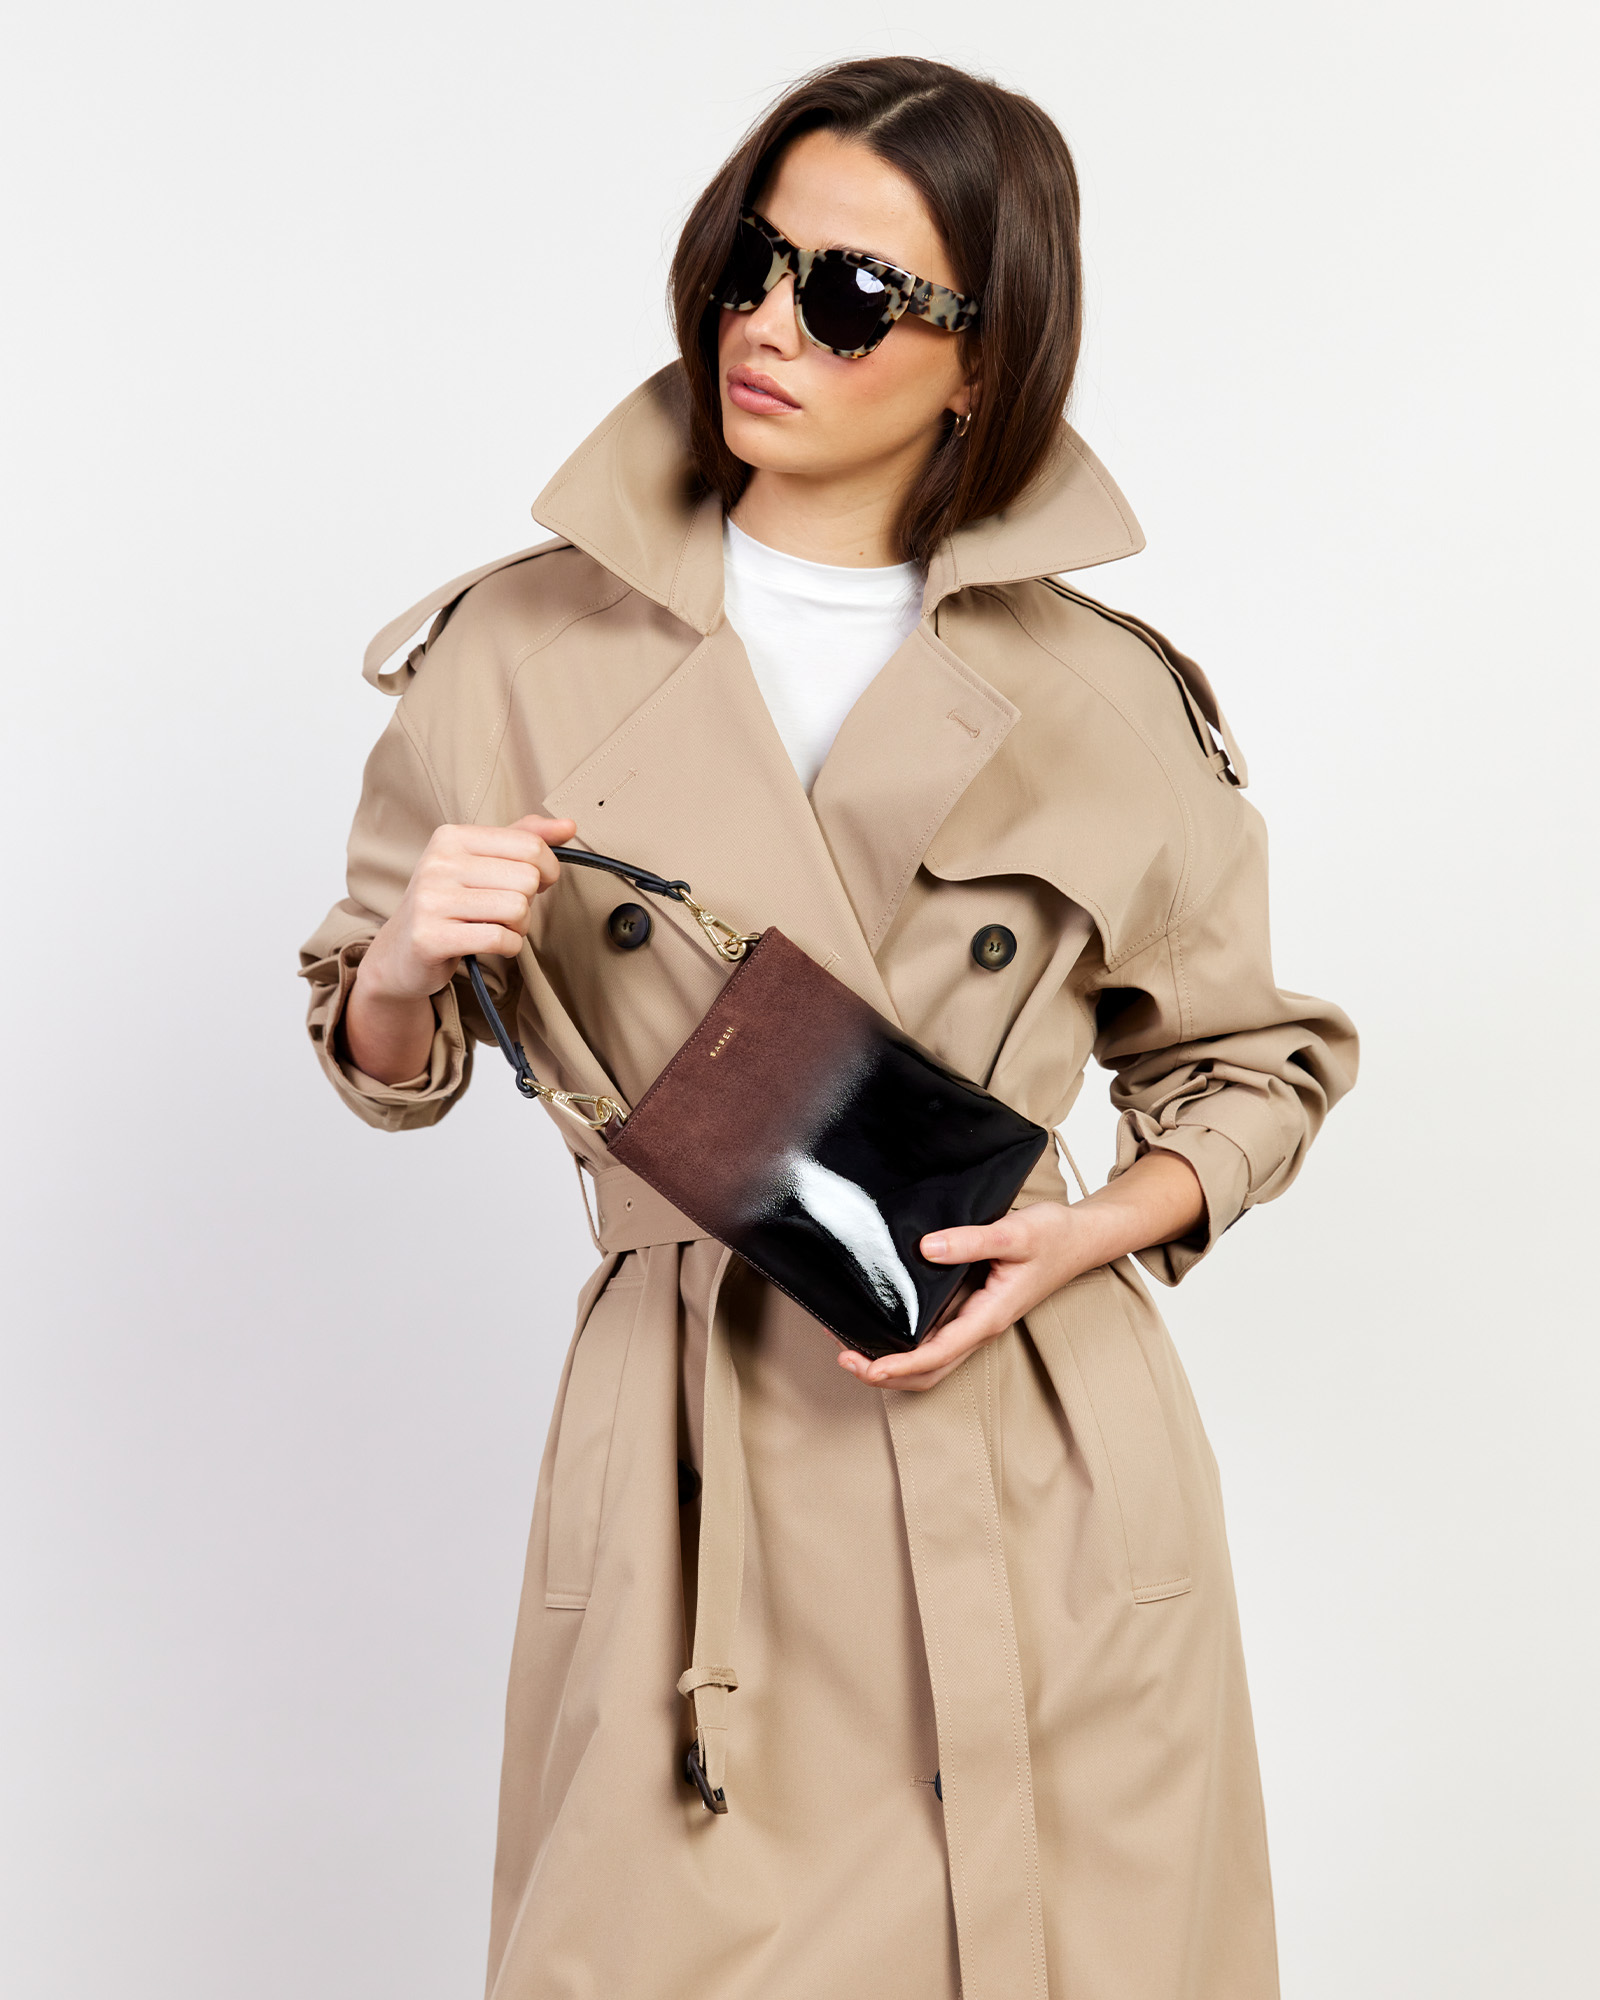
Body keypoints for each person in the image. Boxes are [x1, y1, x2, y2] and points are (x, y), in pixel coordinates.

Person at [300, 55, 1356, 2000]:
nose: (768, 325)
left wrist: (1089, 1231)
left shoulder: (1100, 693)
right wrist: (400, 966)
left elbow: (1249, 1063)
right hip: (693, 1471)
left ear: (980, 359)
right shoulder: (519, 650)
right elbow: (385, 1056)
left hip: (1036, 1450)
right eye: (750, 262)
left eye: (851, 294)